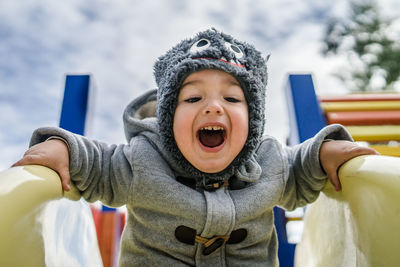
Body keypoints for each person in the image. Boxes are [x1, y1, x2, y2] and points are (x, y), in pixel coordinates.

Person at [12, 28, 378, 266]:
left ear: (254, 121)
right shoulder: (143, 158)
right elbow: (94, 162)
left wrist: (328, 149)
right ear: (168, 117)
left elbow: (302, 166)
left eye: (232, 98)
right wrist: (59, 146)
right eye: (193, 98)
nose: (213, 106)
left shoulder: (269, 160)